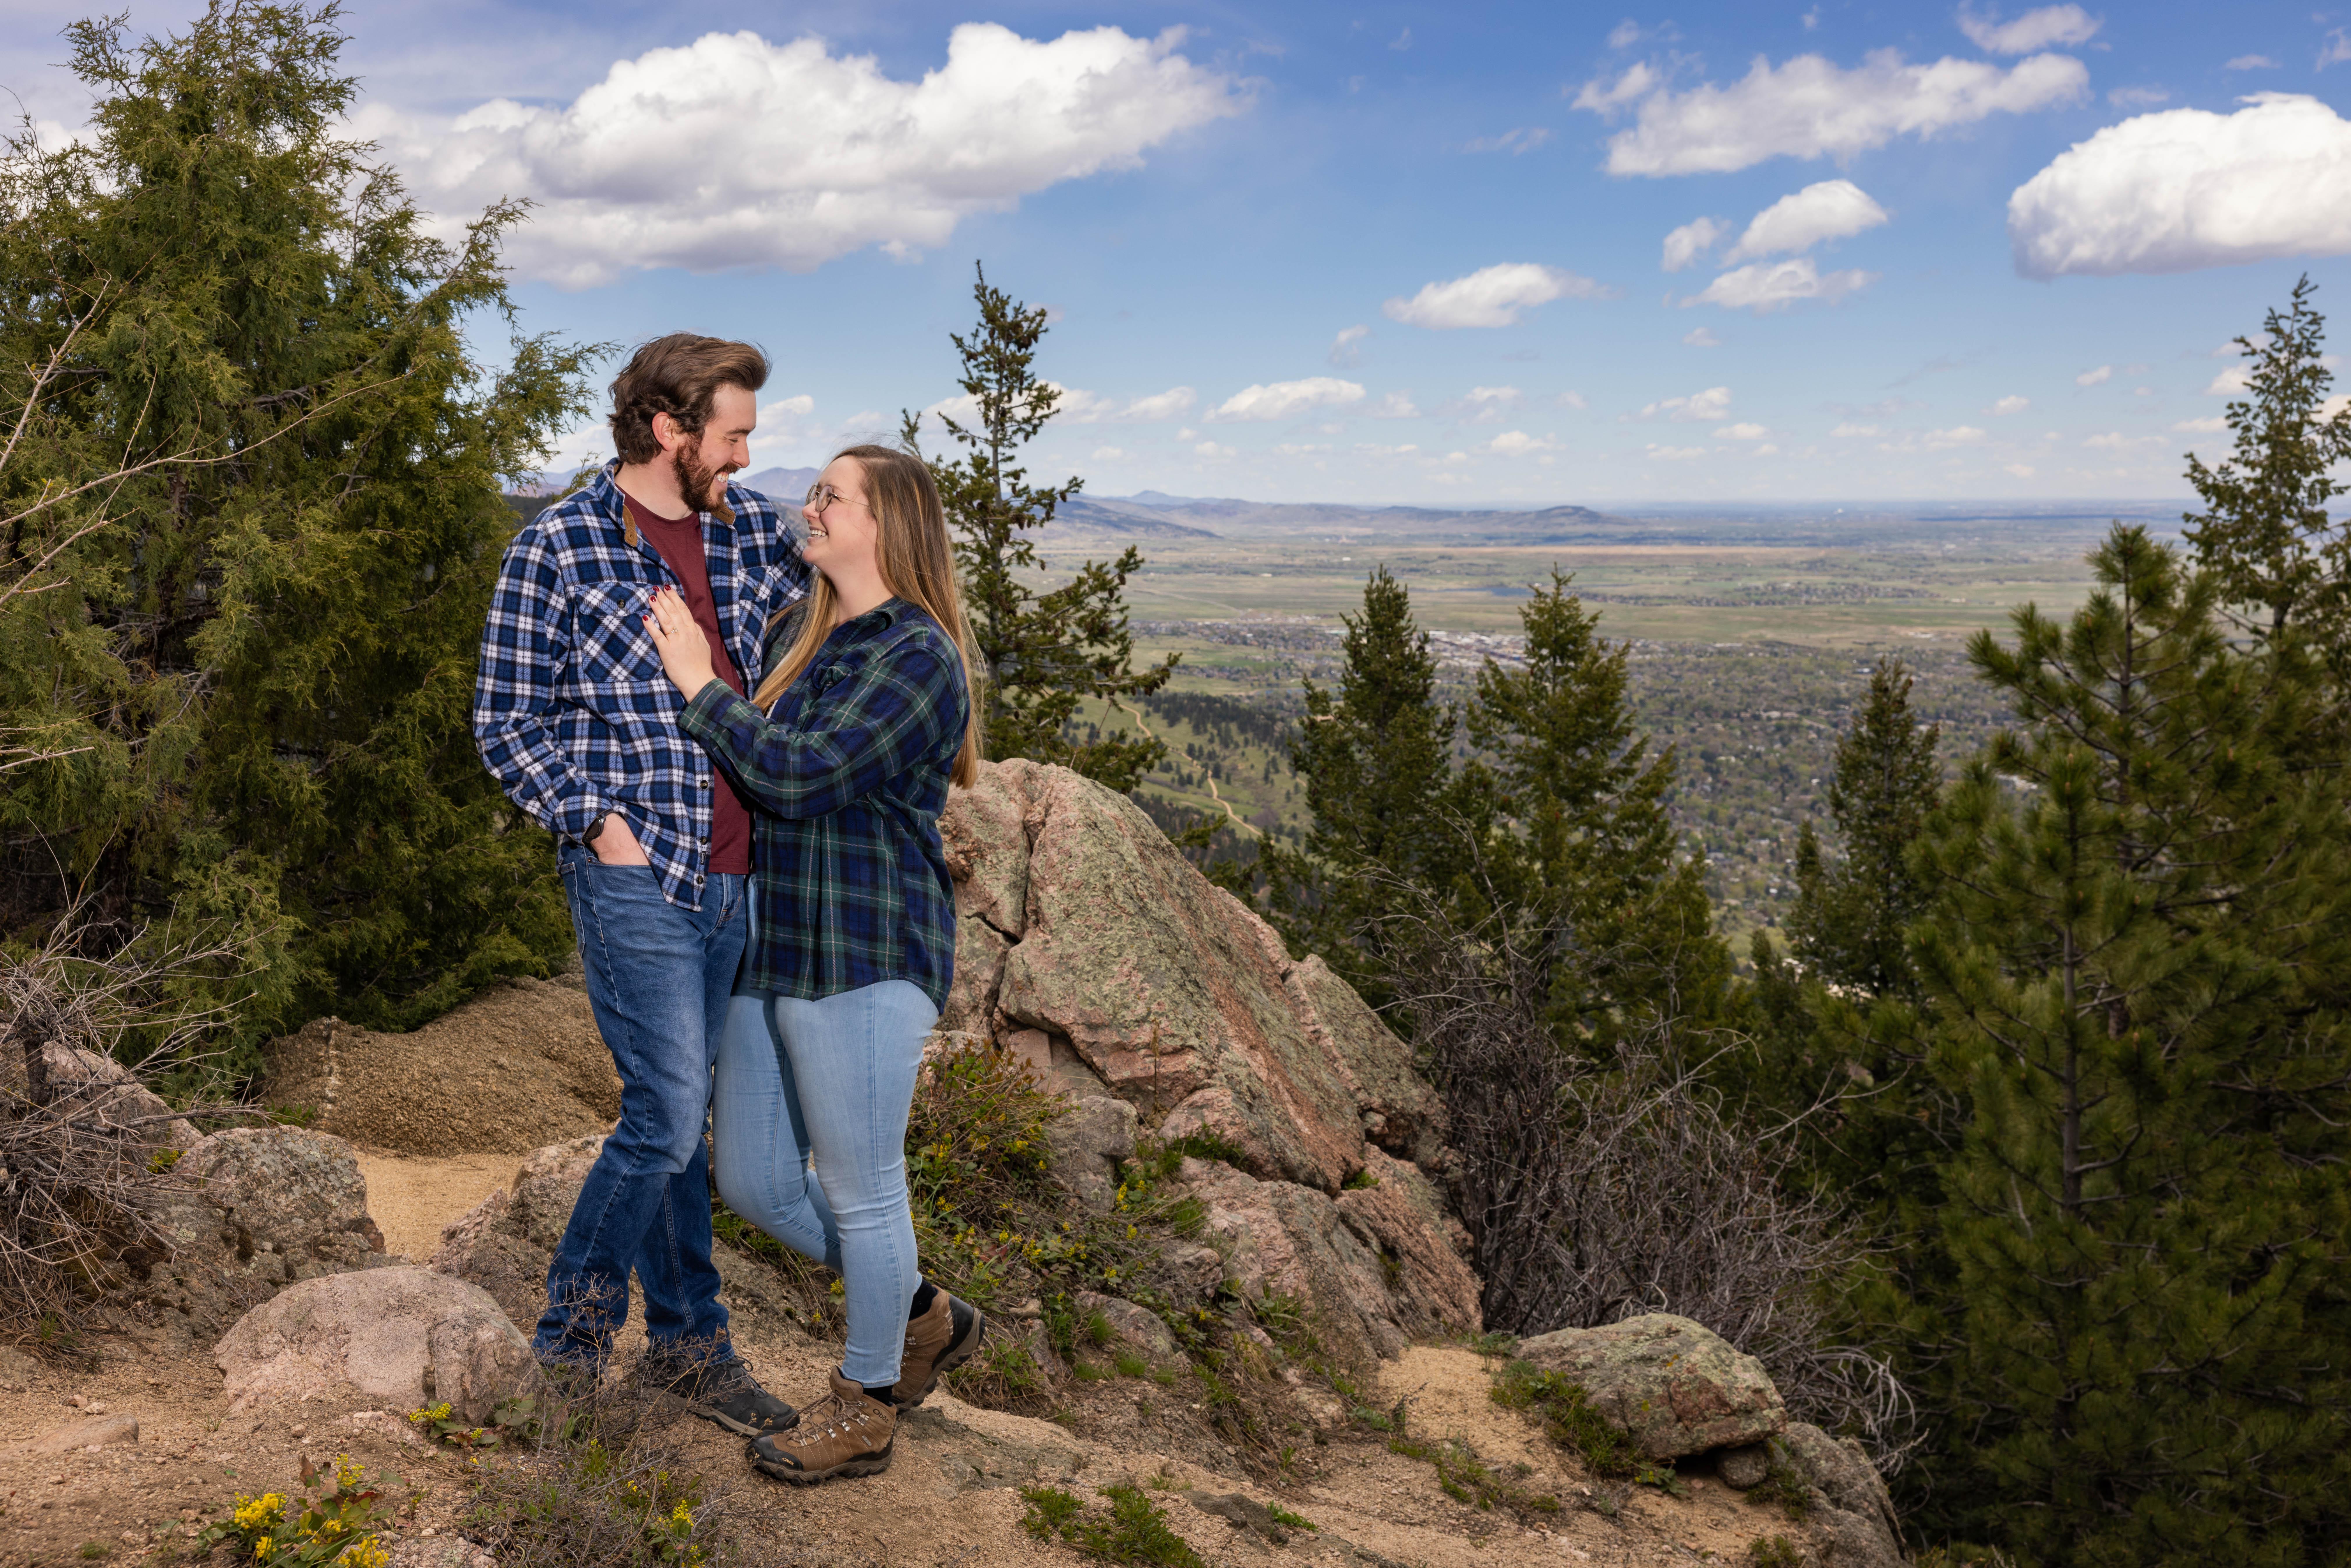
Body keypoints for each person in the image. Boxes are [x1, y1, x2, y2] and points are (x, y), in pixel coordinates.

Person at [471, 335, 803, 1437]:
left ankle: (686, 1351)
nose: (748, 457)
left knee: (682, 1123)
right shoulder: (561, 547)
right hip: (638, 879)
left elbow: (839, 601)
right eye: (734, 434)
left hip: (738, 881)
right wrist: (597, 823)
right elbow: (505, 721)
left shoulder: (753, 532)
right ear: (670, 431)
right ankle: (565, 1350)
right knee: (663, 1119)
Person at [640, 442, 985, 1485]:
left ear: (888, 524)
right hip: (776, 944)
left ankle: (867, 1401)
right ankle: (924, 1310)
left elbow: (803, 774)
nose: (810, 505)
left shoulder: (919, 657)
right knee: (750, 1180)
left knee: (864, 1188)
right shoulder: (805, 626)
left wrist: (698, 683)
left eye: (832, 495)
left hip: (869, 948)